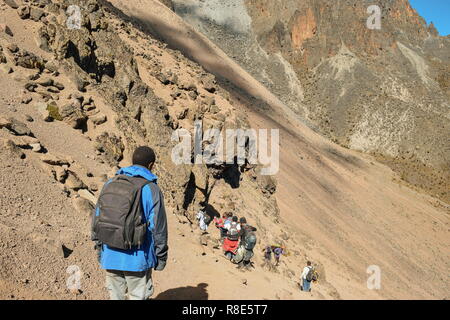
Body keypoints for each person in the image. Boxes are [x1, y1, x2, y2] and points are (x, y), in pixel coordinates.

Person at [92, 146, 168, 300]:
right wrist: (161, 257)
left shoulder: (110, 183)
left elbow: (97, 219)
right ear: (151, 165)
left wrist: (100, 250)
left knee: (115, 296)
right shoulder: (151, 189)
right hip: (138, 257)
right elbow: (158, 228)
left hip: (110, 254)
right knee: (137, 296)